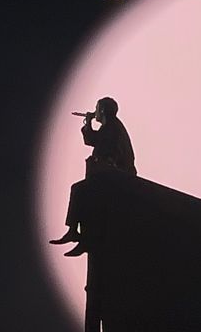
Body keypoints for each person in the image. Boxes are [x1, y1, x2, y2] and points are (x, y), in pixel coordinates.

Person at [50, 97, 136, 256]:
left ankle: (80, 237)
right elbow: (93, 141)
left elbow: (102, 147)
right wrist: (88, 123)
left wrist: (89, 124)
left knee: (82, 192)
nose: (94, 111)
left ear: (102, 110)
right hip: (111, 175)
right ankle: (75, 233)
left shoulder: (112, 127)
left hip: (117, 177)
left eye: (97, 108)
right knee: (81, 191)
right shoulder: (110, 127)